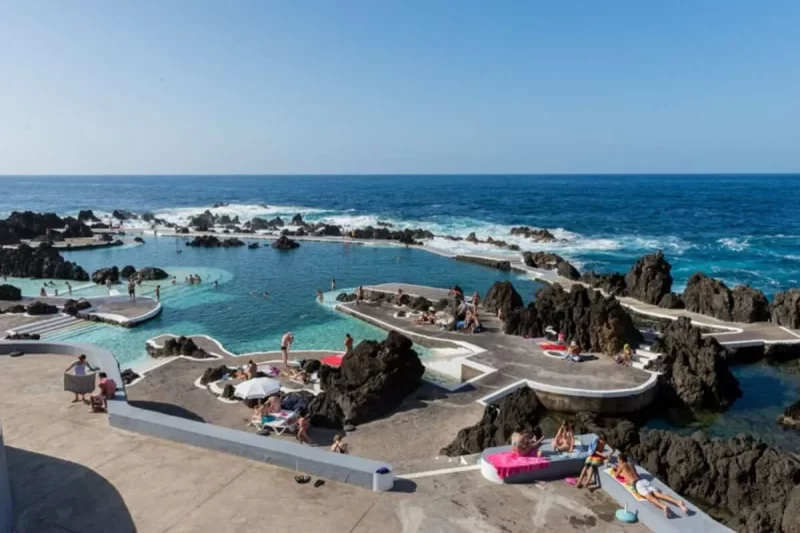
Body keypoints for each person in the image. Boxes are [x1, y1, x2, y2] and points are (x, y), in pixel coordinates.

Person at [612, 454, 689, 518]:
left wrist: (615, 469)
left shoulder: (621, 465)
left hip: (637, 484)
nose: (618, 461)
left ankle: (663, 506)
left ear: (621, 460)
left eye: (618, 460)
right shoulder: (631, 464)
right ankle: (678, 502)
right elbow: (633, 473)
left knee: (649, 496)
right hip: (643, 481)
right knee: (659, 494)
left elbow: (616, 475)